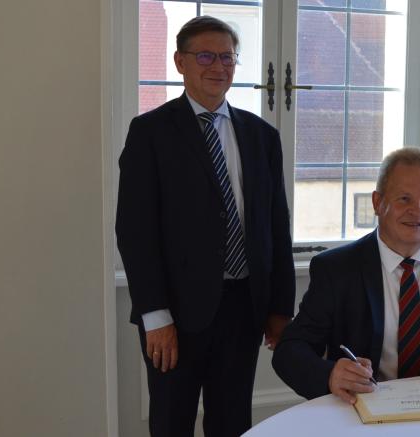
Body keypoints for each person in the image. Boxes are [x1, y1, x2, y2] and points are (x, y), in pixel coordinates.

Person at [116, 16, 295, 437]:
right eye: (206, 56)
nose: (219, 66)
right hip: (175, 314)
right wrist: (155, 316)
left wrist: (279, 308)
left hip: (243, 308)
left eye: (228, 57)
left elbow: (276, 226)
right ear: (180, 62)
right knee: (172, 420)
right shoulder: (150, 133)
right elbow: (135, 231)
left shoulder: (262, 136)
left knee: (232, 420)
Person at [272, 148, 420, 404]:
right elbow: (288, 353)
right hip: (367, 410)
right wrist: (331, 374)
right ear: (378, 203)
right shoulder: (336, 269)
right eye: (404, 199)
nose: (417, 211)